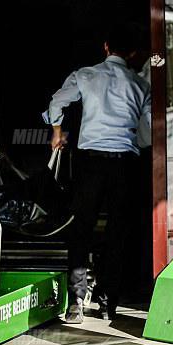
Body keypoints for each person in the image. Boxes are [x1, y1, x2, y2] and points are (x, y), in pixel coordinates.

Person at [42, 25, 151, 323]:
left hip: (90, 162)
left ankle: (76, 302)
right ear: (130, 53)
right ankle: (107, 303)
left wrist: (57, 131)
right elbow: (147, 133)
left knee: (82, 229)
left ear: (105, 47)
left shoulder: (86, 75)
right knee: (117, 232)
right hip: (124, 164)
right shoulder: (140, 85)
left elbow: (57, 102)